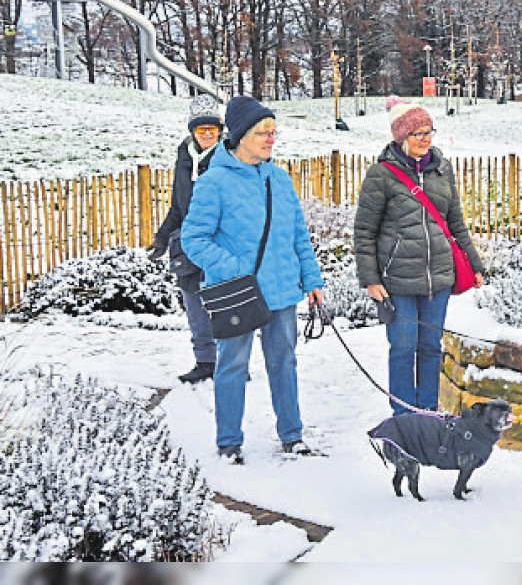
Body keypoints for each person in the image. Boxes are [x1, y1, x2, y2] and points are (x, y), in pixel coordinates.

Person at [181, 95, 325, 464]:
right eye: (263, 132)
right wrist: (232, 269)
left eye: (274, 132)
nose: (270, 139)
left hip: (281, 292)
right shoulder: (213, 182)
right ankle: (229, 442)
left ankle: (292, 436)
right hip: (238, 294)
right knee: (231, 366)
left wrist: (312, 280)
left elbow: (298, 235)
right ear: (242, 134)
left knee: (284, 363)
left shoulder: (279, 178)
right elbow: (194, 239)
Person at [353, 97, 484, 416]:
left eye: (429, 131)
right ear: (401, 137)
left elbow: (455, 223)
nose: (425, 138)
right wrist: (370, 279)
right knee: (402, 348)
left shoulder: (442, 170)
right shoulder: (381, 175)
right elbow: (364, 231)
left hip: (437, 278)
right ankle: (402, 414)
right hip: (397, 280)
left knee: (429, 348)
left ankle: (427, 411)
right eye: (417, 133)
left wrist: (475, 265)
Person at [147, 94, 223, 384]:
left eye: (212, 129)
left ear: (219, 130)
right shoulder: (184, 157)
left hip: (220, 243)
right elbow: (178, 206)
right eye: (201, 129)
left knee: (225, 304)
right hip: (187, 243)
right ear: (192, 131)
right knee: (194, 305)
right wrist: (162, 238)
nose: (206, 134)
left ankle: (231, 362)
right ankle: (205, 362)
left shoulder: (230, 157)